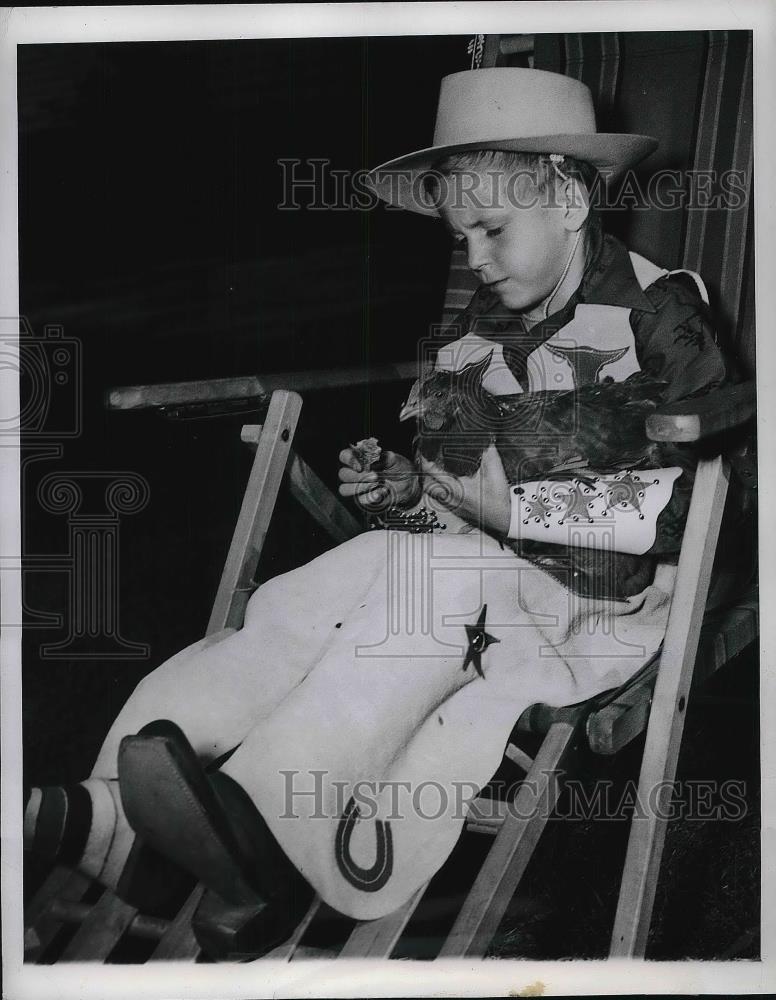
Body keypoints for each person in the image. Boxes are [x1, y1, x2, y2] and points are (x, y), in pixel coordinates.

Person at [24, 68, 730, 960]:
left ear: (567, 198)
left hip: (597, 599)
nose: (474, 259)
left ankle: (264, 834)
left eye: (493, 230)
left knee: (421, 596)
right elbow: (460, 505)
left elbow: (699, 507)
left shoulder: (660, 313)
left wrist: (514, 507)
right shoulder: (478, 329)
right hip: (477, 577)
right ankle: (114, 813)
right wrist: (412, 491)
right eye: (460, 235)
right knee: (300, 599)